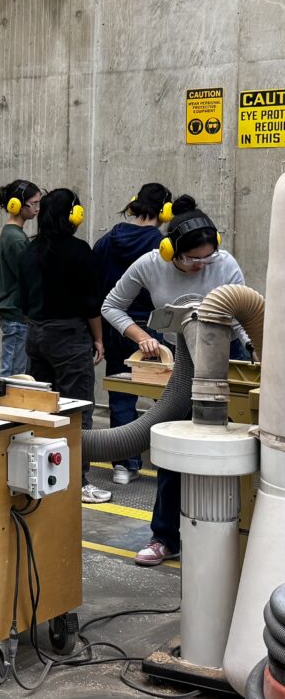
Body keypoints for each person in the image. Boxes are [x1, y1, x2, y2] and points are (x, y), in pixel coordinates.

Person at [102, 194, 252, 566]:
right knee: (174, 446)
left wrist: (255, 349)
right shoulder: (150, 265)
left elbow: (244, 317)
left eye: (207, 258)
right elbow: (111, 305)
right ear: (171, 252)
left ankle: (244, 535)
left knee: (239, 446)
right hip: (182, 366)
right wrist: (142, 336)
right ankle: (165, 538)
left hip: (226, 358)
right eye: (193, 259)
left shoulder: (224, 263)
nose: (202, 265)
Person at [18, 188, 112, 505]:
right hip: (70, 337)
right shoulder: (79, 251)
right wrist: (98, 338)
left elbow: (23, 304)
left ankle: (39, 478)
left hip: (36, 335)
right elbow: (91, 304)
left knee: (41, 407)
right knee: (77, 409)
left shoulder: (28, 251)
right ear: (74, 216)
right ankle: (77, 482)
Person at [93, 183, 172, 485]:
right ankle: (168, 463)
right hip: (152, 328)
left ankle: (124, 465)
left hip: (116, 326)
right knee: (165, 399)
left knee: (121, 397)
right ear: (165, 211)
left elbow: (98, 287)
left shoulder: (107, 240)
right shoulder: (162, 246)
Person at [0, 179, 42, 377]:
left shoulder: (13, 234)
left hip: (15, 314)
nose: (37, 208)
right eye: (34, 203)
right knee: (13, 375)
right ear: (17, 204)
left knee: (17, 374)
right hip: (16, 315)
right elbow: (27, 279)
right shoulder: (16, 239)